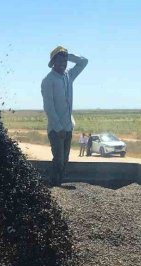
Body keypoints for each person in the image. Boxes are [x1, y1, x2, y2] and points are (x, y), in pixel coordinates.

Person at [41, 46, 88, 185]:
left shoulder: (68, 76)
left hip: (68, 126)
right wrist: (58, 127)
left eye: (65, 60)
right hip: (56, 129)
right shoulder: (48, 80)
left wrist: (69, 55)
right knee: (59, 159)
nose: (63, 63)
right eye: (60, 60)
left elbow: (84, 62)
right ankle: (54, 184)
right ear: (53, 62)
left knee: (65, 159)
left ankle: (58, 183)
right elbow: (49, 107)